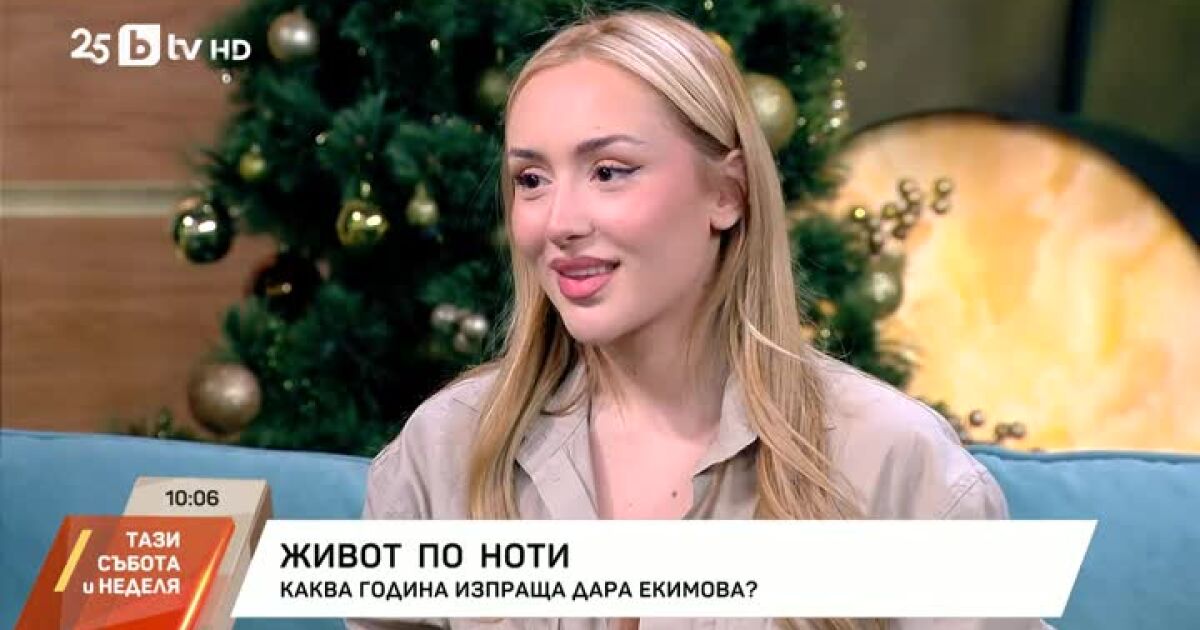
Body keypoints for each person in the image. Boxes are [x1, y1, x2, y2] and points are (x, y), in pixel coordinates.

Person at [348, 9, 1052, 630]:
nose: (558, 222)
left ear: (727, 193)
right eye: (531, 180)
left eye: (609, 171)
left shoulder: (891, 461)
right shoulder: (443, 451)